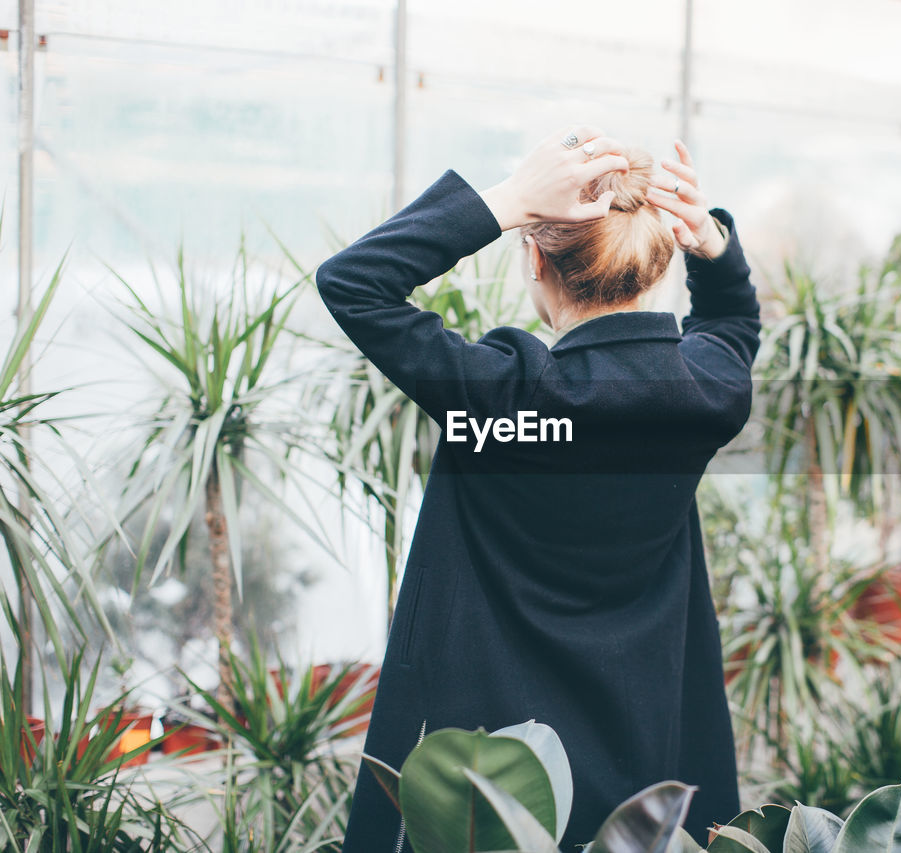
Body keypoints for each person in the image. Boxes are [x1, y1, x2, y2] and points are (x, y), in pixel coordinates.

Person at [316, 125, 760, 850]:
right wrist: (713, 243)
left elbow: (353, 283)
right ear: (660, 262)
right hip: (640, 759)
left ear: (534, 259)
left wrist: (512, 198)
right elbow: (735, 322)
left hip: (492, 778)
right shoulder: (705, 394)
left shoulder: (502, 396)